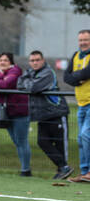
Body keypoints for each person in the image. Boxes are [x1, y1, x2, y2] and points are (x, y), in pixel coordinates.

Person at [17, 50, 73, 179]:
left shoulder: (48, 73)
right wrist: (28, 82)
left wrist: (27, 82)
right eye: (32, 60)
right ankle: (63, 167)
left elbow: (33, 88)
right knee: (42, 142)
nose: (35, 63)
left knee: (60, 144)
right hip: (42, 115)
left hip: (56, 113)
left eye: (37, 60)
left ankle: (63, 168)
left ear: (43, 61)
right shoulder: (30, 73)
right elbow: (19, 84)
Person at [0, 52, 31, 176]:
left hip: (19, 112)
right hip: (5, 112)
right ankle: (24, 167)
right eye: (0, 60)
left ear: (11, 62)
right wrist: (1, 78)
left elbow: (6, 84)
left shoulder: (16, 71)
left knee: (22, 141)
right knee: (16, 141)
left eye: (5, 60)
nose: (2, 62)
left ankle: (25, 170)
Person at [64, 29, 90, 183]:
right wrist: (78, 77)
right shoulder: (75, 56)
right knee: (80, 138)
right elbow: (66, 77)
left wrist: (78, 76)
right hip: (81, 103)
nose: (83, 43)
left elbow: (87, 72)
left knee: (87, 135)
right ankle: (84, 171)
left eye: (86, 39)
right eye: (81, 40)